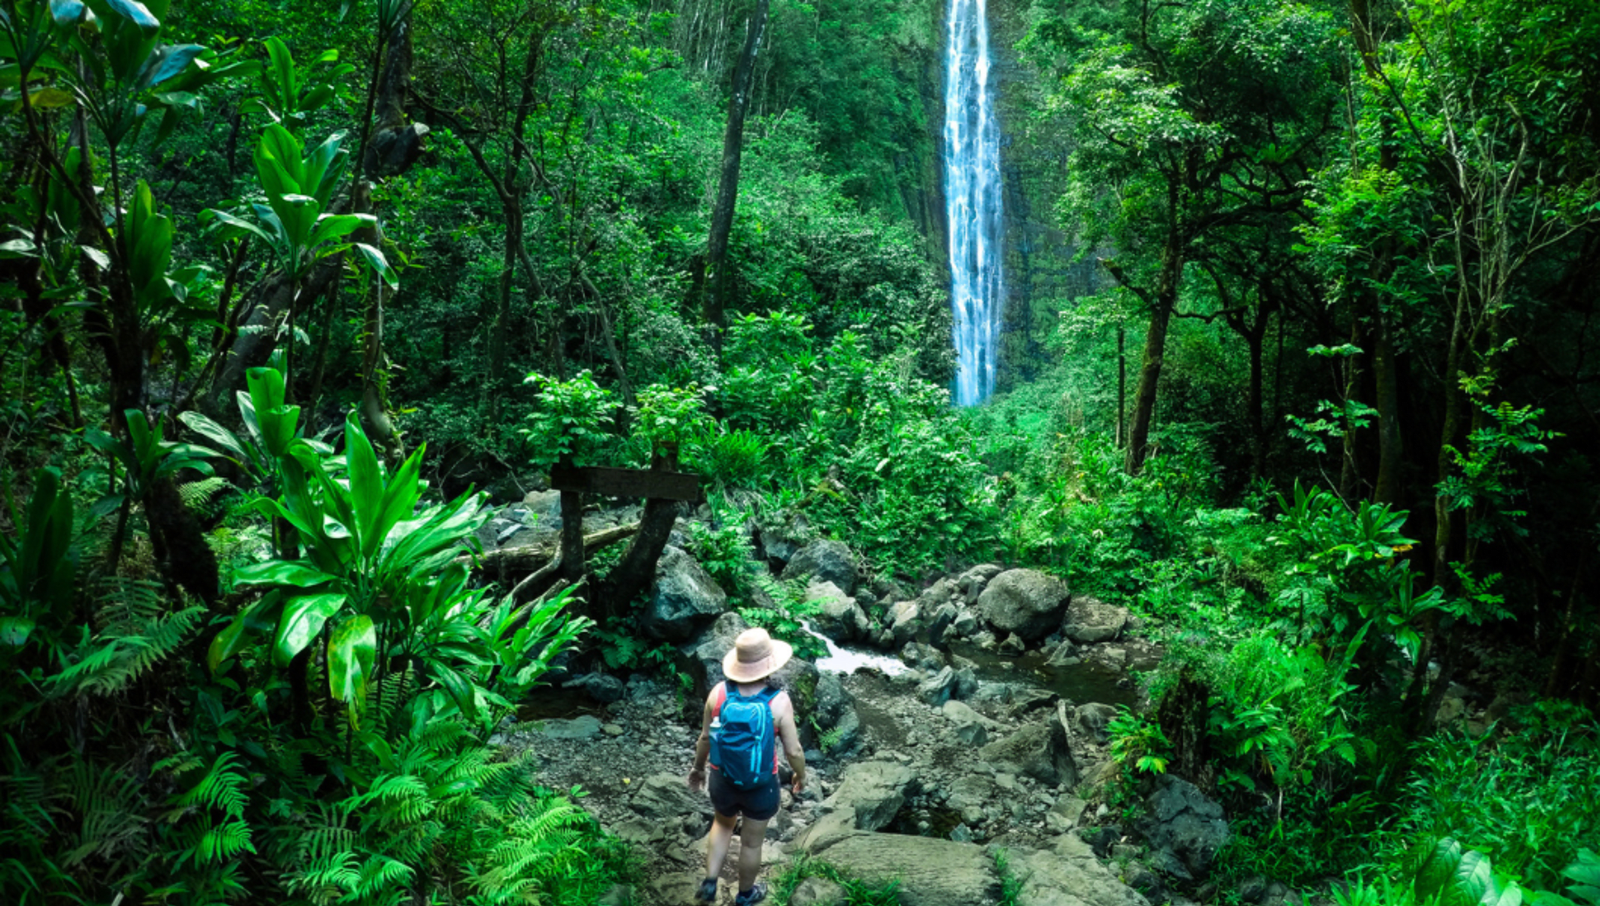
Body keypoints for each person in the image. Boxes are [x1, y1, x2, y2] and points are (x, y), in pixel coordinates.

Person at [687, 628, 806, 905]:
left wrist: (698, 768)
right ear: (769, 664)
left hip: (722, 777)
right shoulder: (778, 701)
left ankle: (709, 882)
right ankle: (745, 895)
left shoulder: (718, 693)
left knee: (722, 823)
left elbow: (705, 737)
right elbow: (794, 750)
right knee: (752, 842)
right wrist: (801, 775)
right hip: (760, 785)